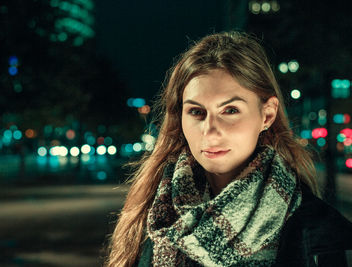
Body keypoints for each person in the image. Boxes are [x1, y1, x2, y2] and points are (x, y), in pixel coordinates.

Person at [106, 31, 352, 267]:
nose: (210, 131)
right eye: (196, 112)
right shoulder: (148, 216)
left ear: (267, 115)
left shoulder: (317, 231)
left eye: (230, 110)